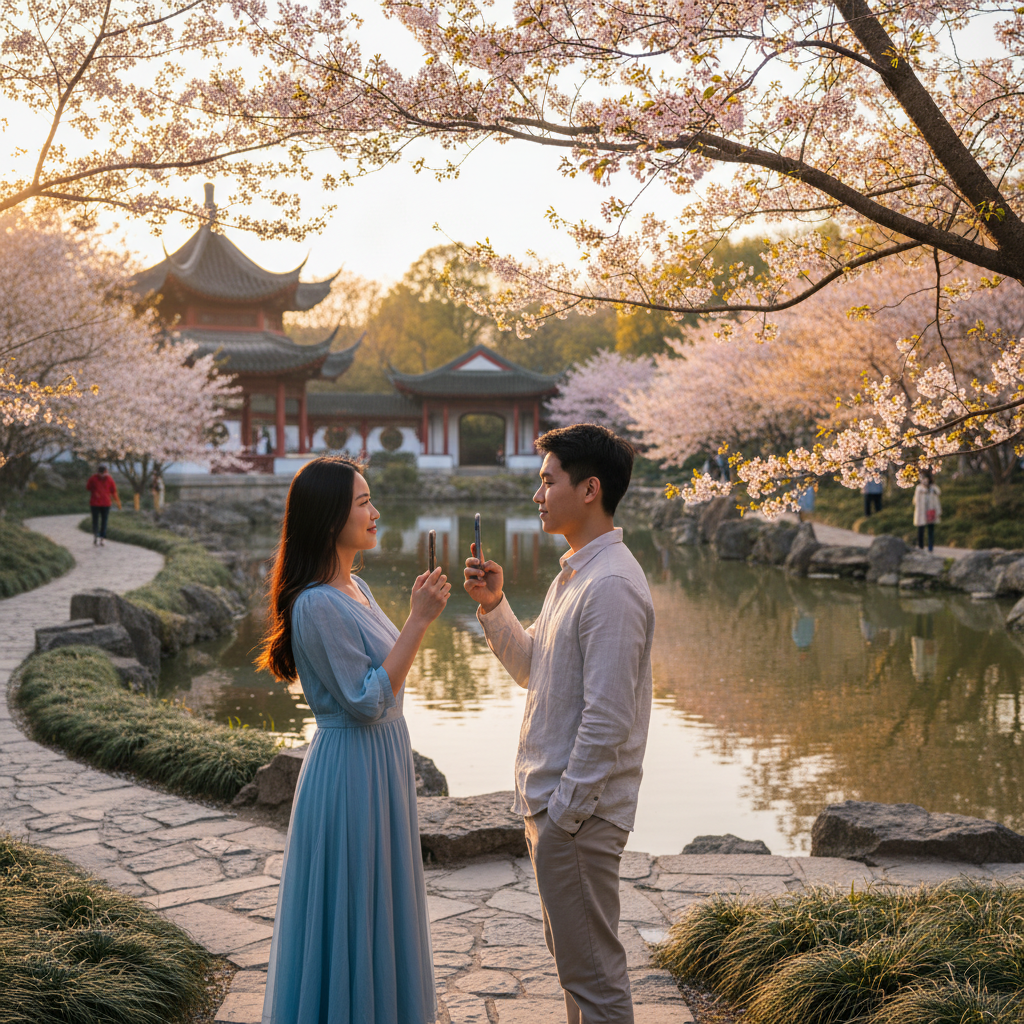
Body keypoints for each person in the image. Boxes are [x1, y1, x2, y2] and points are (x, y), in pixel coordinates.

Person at [464, 423, 655, 1024]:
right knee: (577, 971)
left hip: (577, 815)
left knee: (594, 979)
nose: (538, 494)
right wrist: (495, 608)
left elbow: (608, 719)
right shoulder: (575, 573)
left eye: (548, 481)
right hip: (555, 808)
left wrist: (566, 814)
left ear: (590, 488)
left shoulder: (613, 586)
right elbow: (535, 672)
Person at [257, 456, 448, 1024]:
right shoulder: (315, 602)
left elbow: (387, 675)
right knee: (352, 906)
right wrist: (417, 621)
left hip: (383, 763)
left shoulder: (356, 586)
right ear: (328, 514)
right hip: (350, 769)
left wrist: (415, 619)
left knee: (382, 902)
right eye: (363, 502)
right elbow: (365, 700)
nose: (375, 511)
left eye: (370, 499)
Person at [85, 464, 121, 545]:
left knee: (96, 520)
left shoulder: (93, 478)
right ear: (106, 471)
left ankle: (96, 536)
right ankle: (102, 538)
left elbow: (88, 487)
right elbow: (113, 491)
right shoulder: (109, 479)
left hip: (96, 503)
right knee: (104, 521)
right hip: (104, 503)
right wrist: (118, 502)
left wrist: (95, 491)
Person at [913, 468, 942, 552]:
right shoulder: (919, 488)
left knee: (931, 530)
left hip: (930, 511)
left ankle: (930, 546)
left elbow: (938, 495)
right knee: (921, 530)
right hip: (921, 512)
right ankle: (920, 546)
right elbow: (915, 501)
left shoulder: (933, 488)